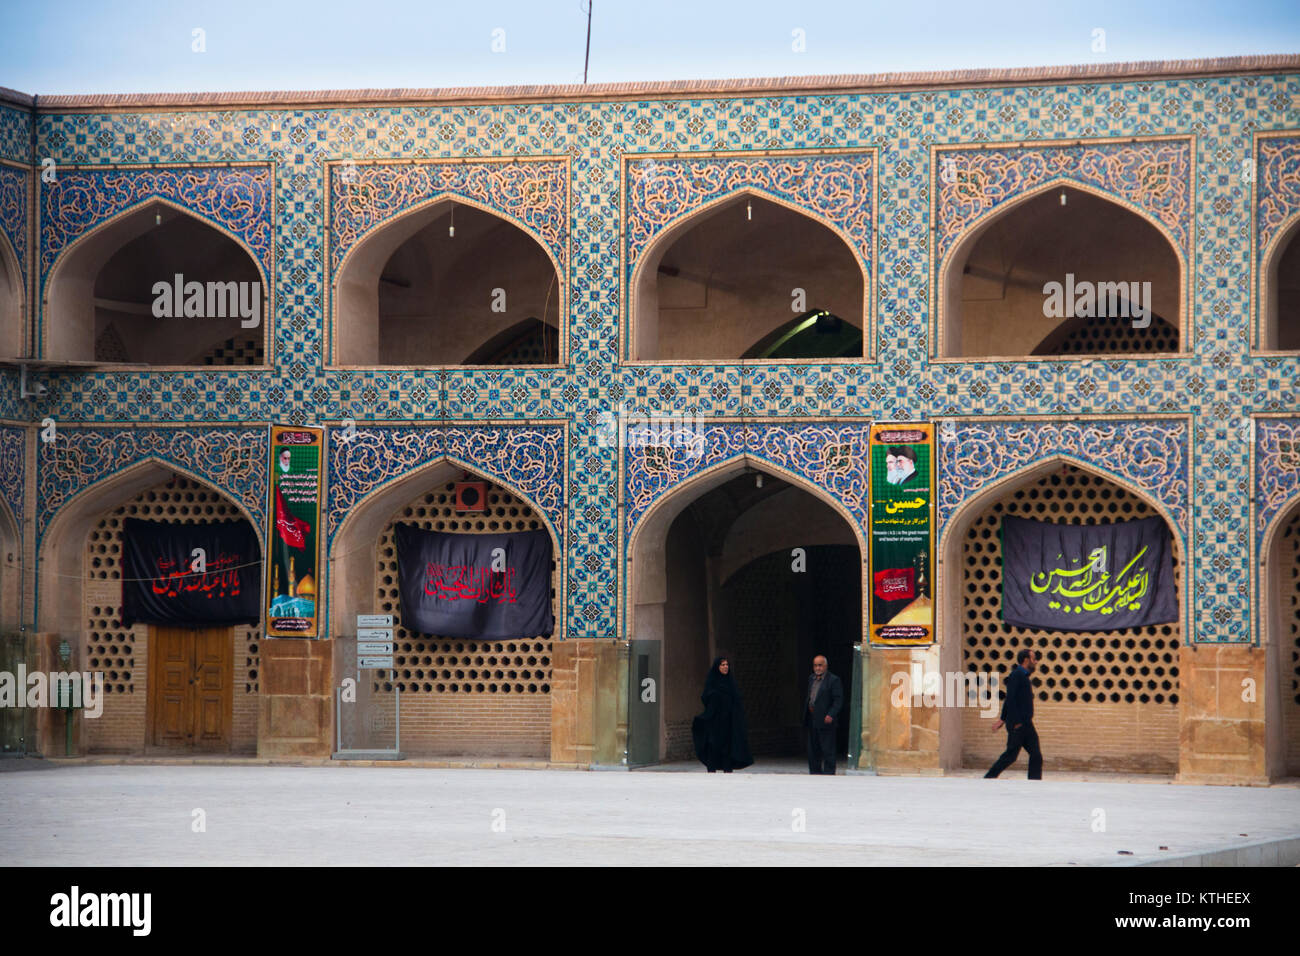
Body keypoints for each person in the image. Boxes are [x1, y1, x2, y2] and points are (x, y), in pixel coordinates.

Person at [985, 648, 1043, 780]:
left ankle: (1034, 783)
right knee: (1011, 755)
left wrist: (1003, 719)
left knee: (1036, 755)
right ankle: (989, 778)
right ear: (1026, 660)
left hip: (1026, 724)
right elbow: (1010, 698)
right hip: (1019, 724)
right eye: (1034, 659)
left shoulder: (1023, 676)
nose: (1036, 662)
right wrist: (1009, 721)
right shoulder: (1016, 675)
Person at [691, 656, 753, 773]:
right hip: (714, 721)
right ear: (717, 667)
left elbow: (737, 701)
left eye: (727, 665)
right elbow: (705, 697)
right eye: (722, 665)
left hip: (729, 721)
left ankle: (727, 769)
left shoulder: (731, 683)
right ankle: (712, 770)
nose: (725, 667)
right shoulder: (712, 683)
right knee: (713, 745)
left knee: (728, 746)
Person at [803, 654, 843, 775]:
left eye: (820, 665)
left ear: (825, 666)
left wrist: (831, 714)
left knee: (827, 749)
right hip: (812, 718)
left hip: (826, 719)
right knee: (813, 749)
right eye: (815, 665)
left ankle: (829, 773)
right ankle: (815, 772)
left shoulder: (833, 680)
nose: (817, 668)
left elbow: (838, 700)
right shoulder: (811, 679)